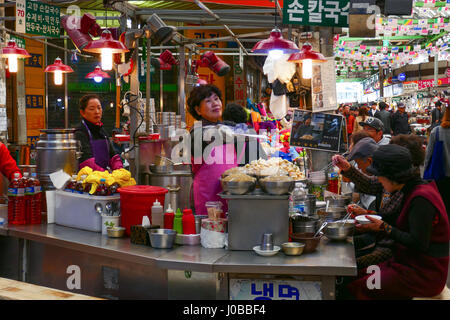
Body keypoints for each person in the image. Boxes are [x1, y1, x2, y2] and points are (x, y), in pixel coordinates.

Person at [346, 145, 449, 300]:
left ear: (390, 176)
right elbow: (396, 218)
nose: (378, 180)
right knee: (356, 276)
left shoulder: (421, 198)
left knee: (360, 286)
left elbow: (418, 242)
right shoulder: (411, 189)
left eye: (379, 176)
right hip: (405, 263)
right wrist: (370, 216)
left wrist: (384, 227)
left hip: (422, 275)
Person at [188, 84, 245, 216]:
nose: (215, 103)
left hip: (230, 196)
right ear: (198, 110)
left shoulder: (226, 130)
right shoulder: (196, 131)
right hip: (208, 198)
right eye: (208, 101)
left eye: (216, 99)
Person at [75, 94, 123, 172]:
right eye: (92, 109)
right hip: (89, 179)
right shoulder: (80, 132)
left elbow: (113, 156)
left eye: (99, 108)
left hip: (104, 178)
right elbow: (87, 162)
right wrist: (106, 175)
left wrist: (119, 170)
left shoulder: (102, 131)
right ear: (82, 112)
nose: (97, 112)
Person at [425, 106, 450, 217]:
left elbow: (428, 155)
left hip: (441, 176)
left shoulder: (437, 131)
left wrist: (425, 172)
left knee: (443, 206)